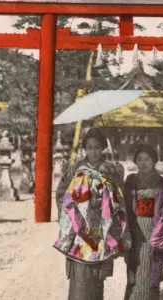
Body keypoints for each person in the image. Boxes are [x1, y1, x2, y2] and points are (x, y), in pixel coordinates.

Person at [55, 127, 130, 300]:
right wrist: (72, 211)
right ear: (85, 148)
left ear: (103, 147)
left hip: (102, 228)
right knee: (80, 276)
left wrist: (113, 180)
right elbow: (61, 194)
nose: (93, 151)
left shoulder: (111, 169)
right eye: (89, 147)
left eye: (97, 147)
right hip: (79, 228)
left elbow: (120, 196)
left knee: (97, 277)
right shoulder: (75, 169)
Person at [123, 143, 163, 300]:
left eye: (146, 159)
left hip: (154, 233)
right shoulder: (130, 181)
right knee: (134, 271)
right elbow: (121, 203)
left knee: (151, 272)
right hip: (135, 233)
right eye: (139, 159)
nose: (143, 162)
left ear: (154, 160)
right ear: (135, 161)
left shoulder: (162, 183)